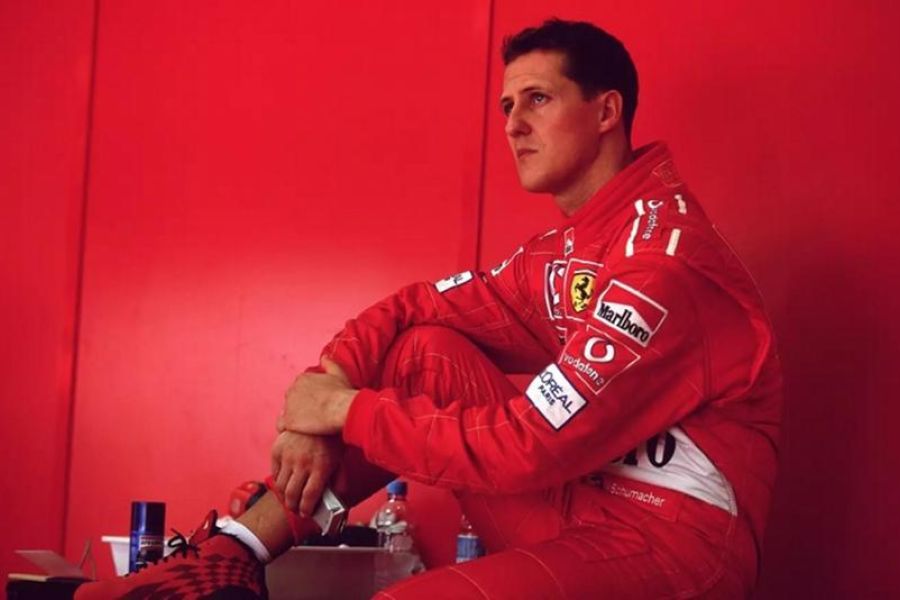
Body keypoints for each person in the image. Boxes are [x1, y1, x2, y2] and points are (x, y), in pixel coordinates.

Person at [75, 18, 782, 599]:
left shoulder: (662, 261)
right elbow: (415, 307)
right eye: (507, 107)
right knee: (421, 349)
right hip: (577, 507)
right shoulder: (570, 249)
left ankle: (235, 550)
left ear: (606, 112)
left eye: (537, 99)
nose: (513, 125)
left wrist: (345, 411)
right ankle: (231, 555)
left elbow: (529, 445)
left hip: (671, 547)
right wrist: (326, 386)